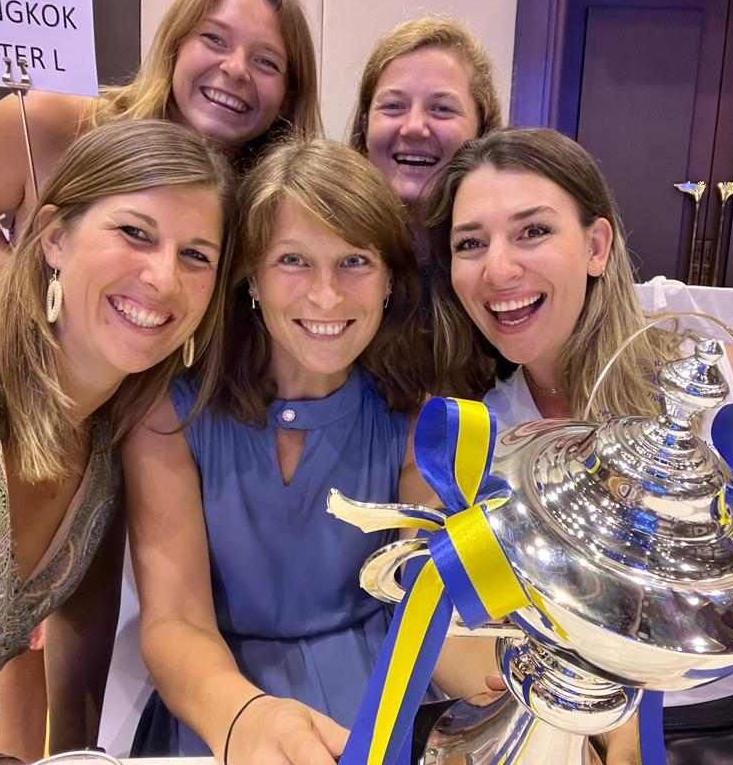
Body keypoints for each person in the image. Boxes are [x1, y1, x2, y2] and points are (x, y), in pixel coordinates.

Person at [424, 127, 733, 764]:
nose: (498, 269)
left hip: (729, 732)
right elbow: (442, 623)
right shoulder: (475, 432)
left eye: (533, 231)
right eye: (470, 243)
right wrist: (558, 703)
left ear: (596, 246)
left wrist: (693, 634)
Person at [125, 139, 496, 764]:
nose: (326, 295)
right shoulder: (169, 415)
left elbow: (431, 605)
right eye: (293, 260)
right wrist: (243, 718)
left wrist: (513, 678)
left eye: (354, 261)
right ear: (251, 277)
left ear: (389, 280)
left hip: (378, 705)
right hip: (216, 705)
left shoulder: (422, 424)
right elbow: (175, 621)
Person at [0, 118, 237, 763]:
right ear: (55, 238)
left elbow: (94, 643)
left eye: (196, 255)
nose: (164, 279)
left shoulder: (108, 454)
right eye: (135, 233)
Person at [0, 0, 320, 283]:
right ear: (175, 45)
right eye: (215, 39)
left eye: (266, 61)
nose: (236, 68)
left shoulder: (274, 208)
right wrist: (28, 302)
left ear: (288, 94)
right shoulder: (51, 122)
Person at [349, 17, 501, 254]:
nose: (414, 128)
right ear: (365, 124)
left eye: (441, 108)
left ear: (482, 130)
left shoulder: (509, 256)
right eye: (393, 106)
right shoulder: (322, 237)